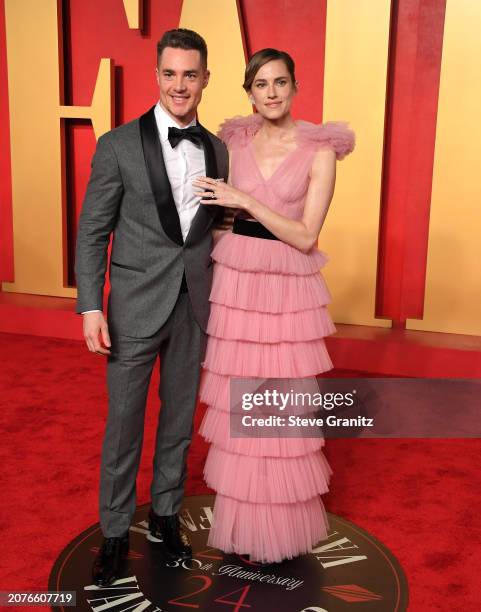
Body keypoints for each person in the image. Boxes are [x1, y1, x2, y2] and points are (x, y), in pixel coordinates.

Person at [75, 28, 228, 586]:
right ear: (156, 75)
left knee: (179, 419)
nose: (179, 84)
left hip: (195, 305)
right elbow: (92, 232)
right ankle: (115, 531)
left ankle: (165, 513)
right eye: (170, 73)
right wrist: (91, 307)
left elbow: (214, 230)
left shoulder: (218, 148)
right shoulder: (117, 144)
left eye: (191, 74)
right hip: (133, 307)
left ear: (206, 79)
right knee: (123, 426)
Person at [193, 48, 355, 564]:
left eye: (280, 82)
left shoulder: (320, 149)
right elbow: (220, 220)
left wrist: (246, 202)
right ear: (248, 91)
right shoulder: (233, 141)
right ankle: (244, 526)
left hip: (287, 290)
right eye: (260, 84)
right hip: (238, 285)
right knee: (240, 410)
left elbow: (306, 236)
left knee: (279, 414)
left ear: (295, 85)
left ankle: (279, 533)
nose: (271, 93)